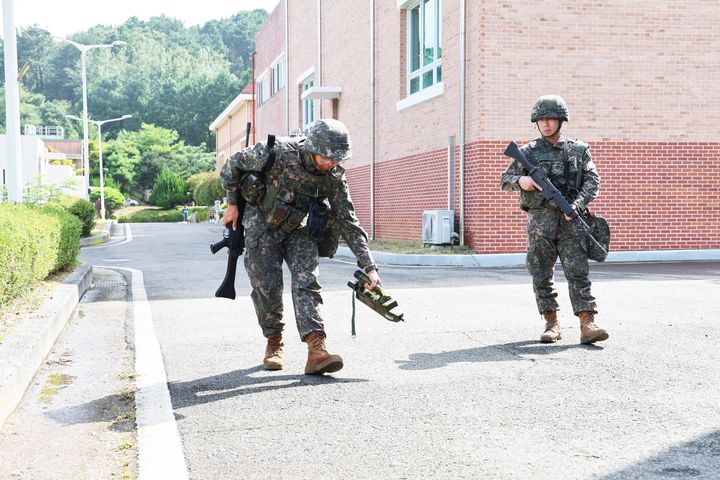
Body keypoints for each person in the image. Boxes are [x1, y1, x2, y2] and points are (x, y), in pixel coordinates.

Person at [220, 118, 381, 374]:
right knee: (267, 287)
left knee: (307, 282)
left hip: (299, 228)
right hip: (262, 224)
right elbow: (232, 164)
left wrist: (369, 266)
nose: (331, 162)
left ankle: (317, 348)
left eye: (337, 158)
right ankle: (274, 340)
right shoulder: (278, 152)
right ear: (312, 148)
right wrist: (232, 203)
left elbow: (348, 221)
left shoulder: (334, 177)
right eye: (327, 157)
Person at [500, 95, 608, 344]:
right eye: (541, 120)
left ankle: (587, 324)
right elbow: (504, 180)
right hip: (540, 226)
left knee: (578, 273)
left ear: (561, 120)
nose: (546, 124)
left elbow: (593, 182)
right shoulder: (527, 152)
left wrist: (576, 205)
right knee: (540, 273)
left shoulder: (578, 150)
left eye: (551, 119)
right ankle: (551, 323)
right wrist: (521, 181)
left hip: (571, 223)